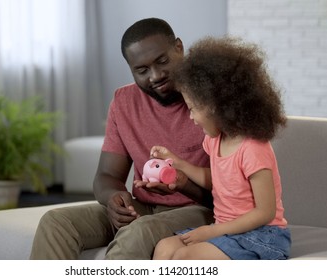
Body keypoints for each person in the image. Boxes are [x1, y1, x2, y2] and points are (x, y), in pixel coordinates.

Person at [29, 18, 214, 260]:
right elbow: (106, 177)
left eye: (162, 61)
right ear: (131, 68)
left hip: (199, 210)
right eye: (142, 70)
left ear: (179, 47)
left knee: (138, 232)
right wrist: (113, 199)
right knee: (56, 223)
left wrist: (184, 184)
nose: (156, 75)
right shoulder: (124, 101)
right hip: (145, 208)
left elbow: (229, 193)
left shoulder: (211, 99)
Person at [151, 36, 291, 260]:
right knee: (164, 248)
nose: (191, 117)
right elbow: (220, 180)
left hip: (263, 235)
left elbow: (266, 212)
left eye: (193, 108)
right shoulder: (214, 140)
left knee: (184, 257)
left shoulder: (253, 148)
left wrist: (213, 231)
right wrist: (180, 164)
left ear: (220, 105)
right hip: (226, 230)